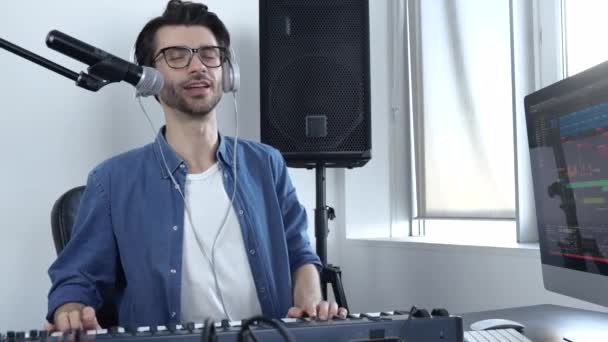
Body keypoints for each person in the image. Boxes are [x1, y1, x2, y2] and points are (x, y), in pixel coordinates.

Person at [45, 0, 346, 332]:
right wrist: (70, 309)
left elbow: (300, 256)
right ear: (149, 79)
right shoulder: (111, 181)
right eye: (177, 56)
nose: (198, 66)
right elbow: (77, 278)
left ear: (227, 73)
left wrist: (310, 302)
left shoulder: (267, 164)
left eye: (209, 54)